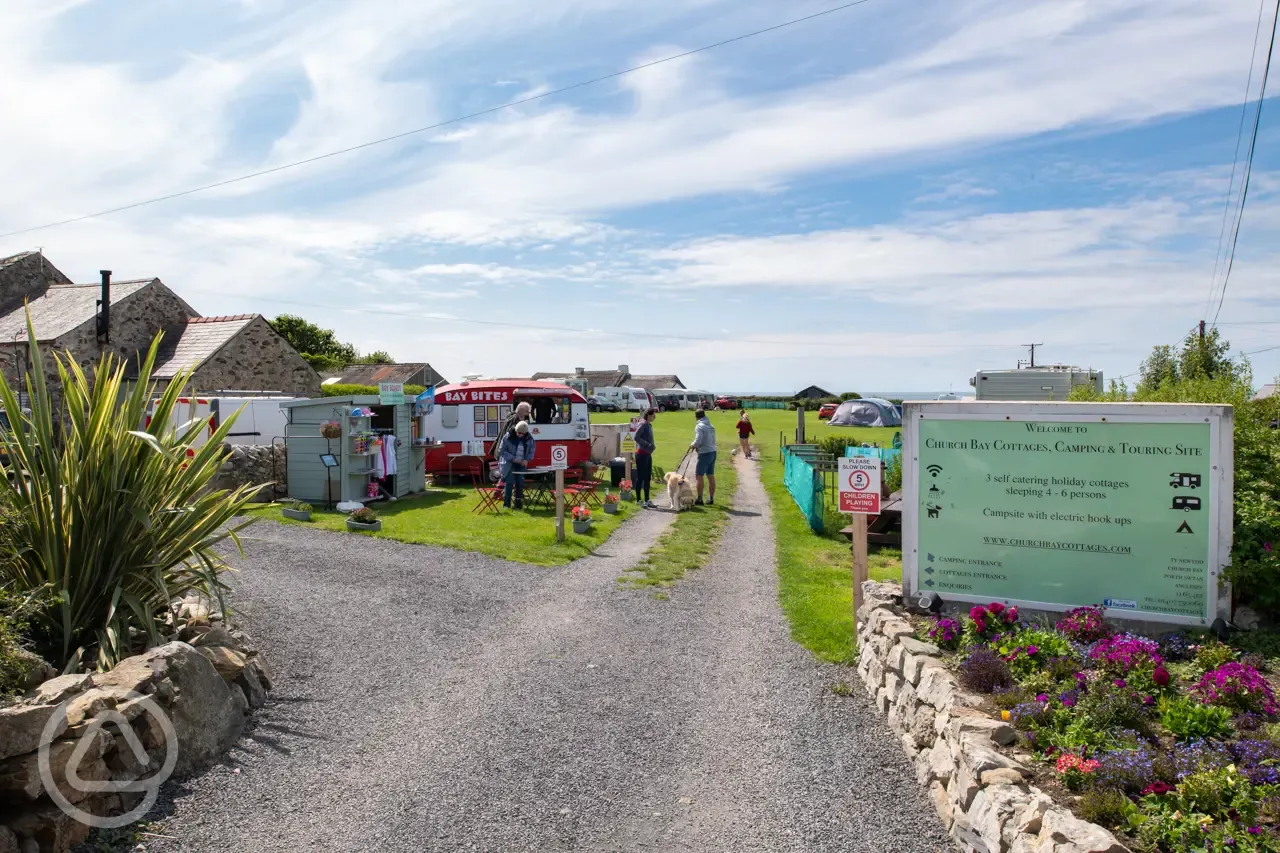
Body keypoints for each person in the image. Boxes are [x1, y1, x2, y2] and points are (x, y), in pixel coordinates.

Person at [496, 421, 536, 509]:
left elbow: (531, 451)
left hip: (521, 464)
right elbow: (501, 450)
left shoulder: (530, 439)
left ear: (525, 433)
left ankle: (518, 504)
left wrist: (526, 460)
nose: (520, 435)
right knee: (509, 483)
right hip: (509, 463)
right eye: (518, 432)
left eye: (522, 433)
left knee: (519, 483)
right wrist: (513, 458)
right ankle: (506, 504)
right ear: (515, 430)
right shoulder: (508, 436)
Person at [689, 409, 717, 505]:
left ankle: (700, 499)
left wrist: (692, 445)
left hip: (704, 453)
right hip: (713, 451)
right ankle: (711, 498)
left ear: (696, 417)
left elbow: (698, 440)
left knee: (699, 475)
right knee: (710, 475)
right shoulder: (711, 425)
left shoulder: (699, 426)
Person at [634, 408, 657, 508]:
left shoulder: (649, 425)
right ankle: (639, 499)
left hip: (648, 454)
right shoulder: (642, 424)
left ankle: (647, 499)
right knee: (641, 477)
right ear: (648, 415)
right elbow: (636, 437)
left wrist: (652, 445)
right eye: (653, 415)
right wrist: (648, 444)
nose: (654, 417)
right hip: (641, 453)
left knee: (647, 477)